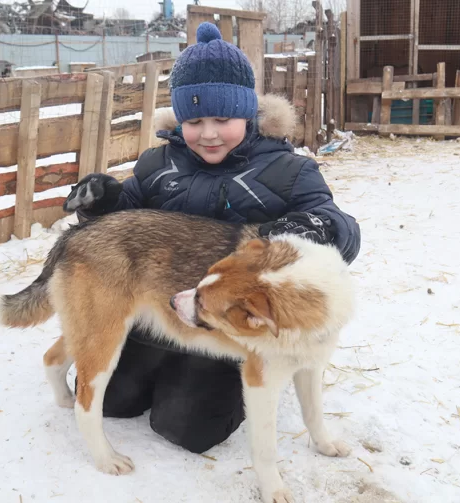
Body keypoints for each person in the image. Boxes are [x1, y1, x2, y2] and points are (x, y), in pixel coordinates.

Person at [62, 22, 360, 454]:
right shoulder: (156, 165)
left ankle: (203, 384)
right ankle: (157, 367)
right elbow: (124, 224)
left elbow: (339, 228)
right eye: (195, 120)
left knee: (185, 429)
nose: (209, 133)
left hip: (229, 326)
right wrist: (100, 203)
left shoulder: (288, 171)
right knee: (115, 402)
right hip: (163, 312)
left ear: (249, 114)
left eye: (223, 118)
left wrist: (315, 228)